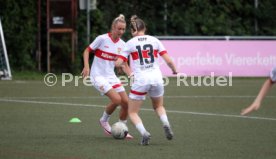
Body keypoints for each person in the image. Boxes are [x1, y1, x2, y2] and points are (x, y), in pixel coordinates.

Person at [115, 15, 178, 145]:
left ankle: (144, 133)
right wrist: (174, 70)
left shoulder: (130, 43)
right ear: (145, 28)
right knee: (159, 106)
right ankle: (165, 123)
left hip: (141, 80)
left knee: (132, 112)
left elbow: (119, 63)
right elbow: (168, 60)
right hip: (156, 77)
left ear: (133, 31)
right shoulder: (154, 40)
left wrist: (120, 63)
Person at [81, 14, 133, 139]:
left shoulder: (123, 45)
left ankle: (122, 129)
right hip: (97, 76)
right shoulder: (102, 39)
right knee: (117, 100)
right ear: (113, 28)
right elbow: (87, 51)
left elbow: (124, 64)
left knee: (126, 102)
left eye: (123, 29)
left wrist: (131, 75)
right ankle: (104, 121)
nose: (121, 31)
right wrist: (87, 66)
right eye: (119, 29)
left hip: (111, 76)